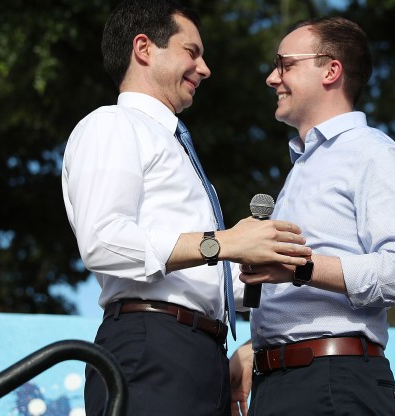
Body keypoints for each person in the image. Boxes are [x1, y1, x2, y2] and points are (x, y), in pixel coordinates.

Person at [61, 1, 311, 415]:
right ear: (144, 48)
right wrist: (225, 243)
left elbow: (206, 277)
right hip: (151, 347)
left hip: (203, 356)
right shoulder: (111, 125)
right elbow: (102, 242)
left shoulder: (178, 149)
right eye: (191, 52)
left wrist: (272, 265)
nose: (205, 68)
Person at [229, 16, 395, 416]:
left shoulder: (375, 154)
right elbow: (295, 293)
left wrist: (300, 267)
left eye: (285, 64)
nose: (272, 78)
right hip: (286, 384)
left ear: (331, 70)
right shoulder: (304, 165)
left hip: (333, 382)